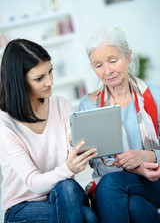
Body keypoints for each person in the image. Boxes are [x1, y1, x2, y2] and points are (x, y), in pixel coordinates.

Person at [0, 39, 99, 223]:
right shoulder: (4, 125)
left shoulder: (61, 105)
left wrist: (75, 147)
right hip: (23, 205)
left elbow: (73, 161)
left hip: (64, 194)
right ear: (19, 82)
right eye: (39, 78)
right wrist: (69, 167)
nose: (50, 82)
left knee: (67, 186)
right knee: (88, 217)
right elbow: (34, 183)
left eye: (50, 71)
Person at [79, 27, 160, 223]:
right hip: (116, 183)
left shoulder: (156, 95)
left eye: (113, 61)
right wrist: (133, 168)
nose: (107, 71)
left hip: (155, 179)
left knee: (109, 185)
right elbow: (95, 160)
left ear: (129, 56)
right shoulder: (88, 105)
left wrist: (149, 156)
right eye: (98, 65)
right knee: (134, 206)